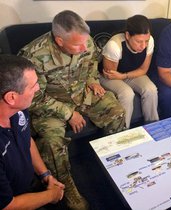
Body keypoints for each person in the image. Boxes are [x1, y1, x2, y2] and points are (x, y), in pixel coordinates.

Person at [18, 10, 126, 209]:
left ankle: (114, 165)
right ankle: (65, 187)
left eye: (86, 42)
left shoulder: (86, 41)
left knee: (116, 112)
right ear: (60, 41)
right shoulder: (33, 56)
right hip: (49, 105)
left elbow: (92, 61)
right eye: (78, 45)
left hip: (82, 93)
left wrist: (92, 80)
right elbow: (32, 98)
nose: (85, 47)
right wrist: (68, 113)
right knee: (52, 141)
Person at [0, 55, 65, 209]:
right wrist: (51, 195)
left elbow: (26, 140)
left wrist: (45, 174)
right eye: (33, 85)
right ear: (12, 97)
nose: (38, 88)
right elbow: (8, 205)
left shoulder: (18, 111)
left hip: (29, 184)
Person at [99, 14, 159, 128]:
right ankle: (123, 131)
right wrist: (122, 77)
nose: (143, 45)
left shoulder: (150, 41)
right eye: (138, 41)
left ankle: (153, 127)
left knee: (151, 89)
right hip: (108, 76)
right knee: (127, 93)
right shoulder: (114, 45)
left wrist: (124, 76)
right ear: (127, 35)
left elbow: (144, 69)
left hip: (128, 73)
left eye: (146, 41)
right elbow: (110, 75)